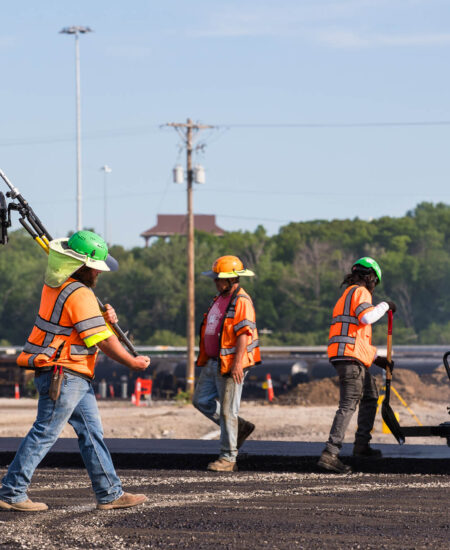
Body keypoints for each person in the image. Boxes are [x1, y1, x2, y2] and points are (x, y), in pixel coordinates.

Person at [0, 231, 151, 512]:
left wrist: (103, 318)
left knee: (92, 433)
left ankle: (109, 493)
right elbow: (102, 340)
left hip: (71, 375)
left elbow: (82, 327)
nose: (99, 273)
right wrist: (132, 362)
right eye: (96, 268)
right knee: (45, 432)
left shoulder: (59, 286)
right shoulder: (80, 294)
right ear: (83, 266)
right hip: (65, 374)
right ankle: (11, 491)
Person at [317, 257, 395, 474]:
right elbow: (368, 317)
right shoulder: (360, 292)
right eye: (374, 281)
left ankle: (362, 446)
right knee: (349, 403)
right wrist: (386, 305)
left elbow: (355, 335)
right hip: (350, 359)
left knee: (370, 395)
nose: (374, 286)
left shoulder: (346, 295)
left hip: (351, 356)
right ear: (369, 276)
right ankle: (330, 454)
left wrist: (377, 358)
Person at [193, 255, 261, 472]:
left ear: (232, 279)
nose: (215, 281)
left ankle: (228, 458)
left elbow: (244, 334)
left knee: (227, 411)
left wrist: (238, 363)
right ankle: (239, 427)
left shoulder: (242, 301)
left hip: (230, 364)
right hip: (214, 362)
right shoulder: (219, 299)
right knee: (201, 400)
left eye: (219, 278)